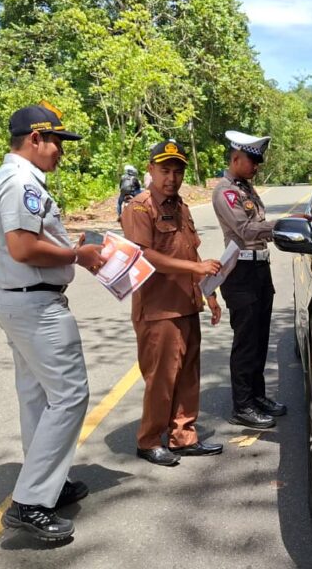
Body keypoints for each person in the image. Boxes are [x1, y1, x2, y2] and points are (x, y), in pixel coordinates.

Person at [0, 103, 108, 542]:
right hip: (36, 305)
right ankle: (31, 502)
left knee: (37, 397)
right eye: (56, 141)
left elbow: (30, 241)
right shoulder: (21, 182)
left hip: (21, 300)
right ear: (35, 138)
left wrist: (70, 247)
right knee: (70, 395)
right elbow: (22, 247)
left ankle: (46, 485)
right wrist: (77, 255)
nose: (61, 150)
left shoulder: (15, 178)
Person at [121, 139, 224, 466]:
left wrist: (209, 292)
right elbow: (143, 255)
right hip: (158, 309)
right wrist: (196, 269)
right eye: (165, 170)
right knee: (162, 379)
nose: (172, 178)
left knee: (188, 374)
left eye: (177, 172)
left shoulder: (181, 207)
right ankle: (149, 440)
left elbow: (191, 252)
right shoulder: (139, 208)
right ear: (150, 170)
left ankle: (183, 436)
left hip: (187, 303)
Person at [211, 130, 289, 429]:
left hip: (259, 269)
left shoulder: (247, 189)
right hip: (241, 272)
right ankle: (242, 405)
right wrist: (284, 225)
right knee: (245, 341)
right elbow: (245, 230)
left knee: (260, 338)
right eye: (252, 161)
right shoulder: (225, 192)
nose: (256, 166)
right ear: (235, 158)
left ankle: (257, 396)